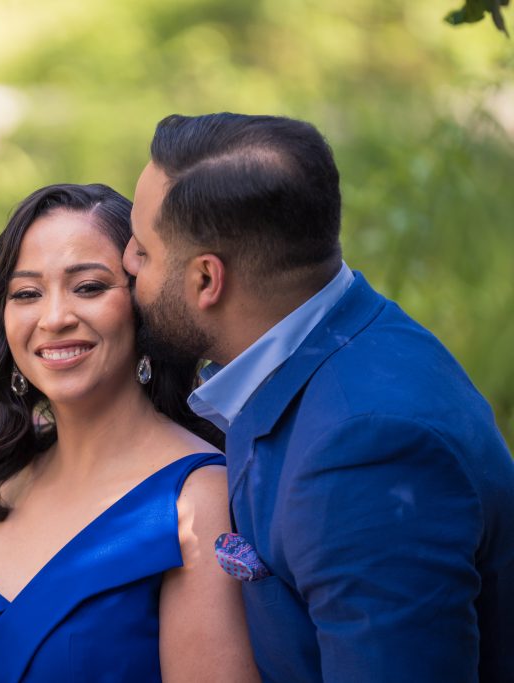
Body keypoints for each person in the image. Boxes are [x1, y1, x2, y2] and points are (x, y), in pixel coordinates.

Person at [124, 112, 514, 682]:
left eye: (144, 250)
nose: (126, 261)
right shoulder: (360, 331)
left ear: (207, 280)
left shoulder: (366, 452)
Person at [0, 184, 259, 682]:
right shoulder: (6, 482)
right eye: (27, 294)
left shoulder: (198, 502)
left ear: (144, 305)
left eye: (89, 287)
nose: (54, 318)